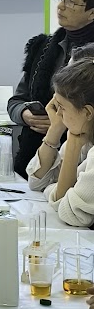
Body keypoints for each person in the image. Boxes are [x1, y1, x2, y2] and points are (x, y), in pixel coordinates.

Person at [9, 0, 94, 177]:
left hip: (82, 162)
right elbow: (16, 101)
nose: (61, 6)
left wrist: (64, 122)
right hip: (35, 157)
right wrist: (26, 115)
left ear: (92, 13)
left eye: (71, 1)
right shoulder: (43, 48)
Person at [26, 58, 94, 227]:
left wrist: (53, 189)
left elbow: (71, 213)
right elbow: (37, 182)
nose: (57, 115)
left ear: (87, 113)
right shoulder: (83, 137)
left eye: (61, 107)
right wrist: (56, 130)